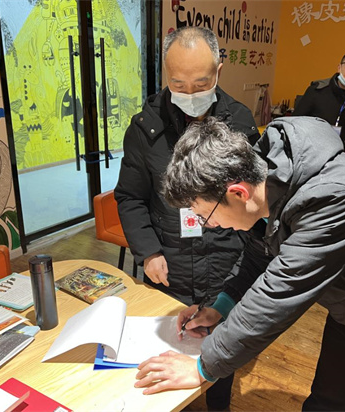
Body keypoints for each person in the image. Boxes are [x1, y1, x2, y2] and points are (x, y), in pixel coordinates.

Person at [134, 116, 345, 411]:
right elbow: (259, 255)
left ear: (238, 193)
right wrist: (220, 308)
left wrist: (203, 366)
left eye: (205, 215)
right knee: (327, 403)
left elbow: (280, 292)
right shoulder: (270, 179)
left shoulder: (333, 197)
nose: (209, 225)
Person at [114, 26, 260, 410]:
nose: (190, 94)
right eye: (178, 83)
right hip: (170, 258)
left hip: (226, 258)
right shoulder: (145, 128)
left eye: (201, 83)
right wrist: (148, 252)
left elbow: (251, 202)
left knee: (220, 343)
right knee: (169, 346)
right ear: (165, 73)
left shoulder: (240, 121)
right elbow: (130, 196)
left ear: (218, 71)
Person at [292, 49, 345, 154]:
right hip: (310, 151)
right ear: (339, 67)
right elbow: (295, 121)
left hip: (339, 154)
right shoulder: (317, 89)